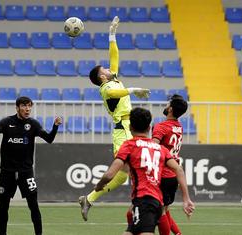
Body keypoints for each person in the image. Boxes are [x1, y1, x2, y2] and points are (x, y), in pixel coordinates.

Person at [79, 16, 150, 221]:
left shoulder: (114, 79)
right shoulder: (106, 88)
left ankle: (89, 199)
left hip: (131, 126)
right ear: (102, 77)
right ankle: (141, 202)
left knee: (123, 173)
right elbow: (114, 95)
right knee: (129, 168)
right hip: (122, 130)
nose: (110, 70)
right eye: (106, 70)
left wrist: (112, 35)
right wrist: (132, 90)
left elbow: (114, 57)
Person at [94, 107, 195, 235]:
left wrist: (99, 186)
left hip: (144, 199)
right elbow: (179, 169)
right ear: (149, 128)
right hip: (156, 201)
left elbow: (109, 174)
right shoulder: (160, 148)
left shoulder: (129, 145)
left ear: (130, 127)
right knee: (130, 223)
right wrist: (186, 199)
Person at [0, 96, 62, 235]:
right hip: (7, 173)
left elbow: (49, 139)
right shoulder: (7, 122)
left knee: (34, 206)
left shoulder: (33, 124)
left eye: (29, 106)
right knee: (3, 207)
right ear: (17, 107)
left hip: (26, 172)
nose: (27, 109)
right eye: (24, 106)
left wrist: (55, 126)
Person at [152, 94, 188, 235]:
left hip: (162, 174)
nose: (166, 106)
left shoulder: (161, 127)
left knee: (159, 211)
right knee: (164, 209)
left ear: (171, 109)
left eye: (168, 104)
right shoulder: (179, 127)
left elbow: (153, 148)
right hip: (173, 175)